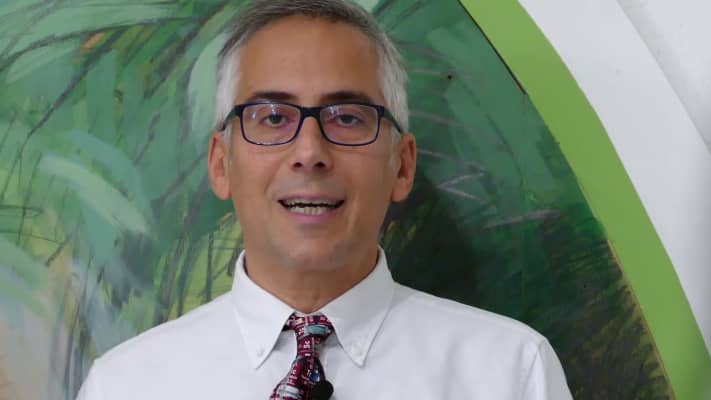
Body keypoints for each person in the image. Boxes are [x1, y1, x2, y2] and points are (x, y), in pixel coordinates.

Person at [77, 0, 573, 399]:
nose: (310, 153)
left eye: (347, 117)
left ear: (402, 165)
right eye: (274, 117)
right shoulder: (125, 386)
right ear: (221, 164)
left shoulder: (510, 373)